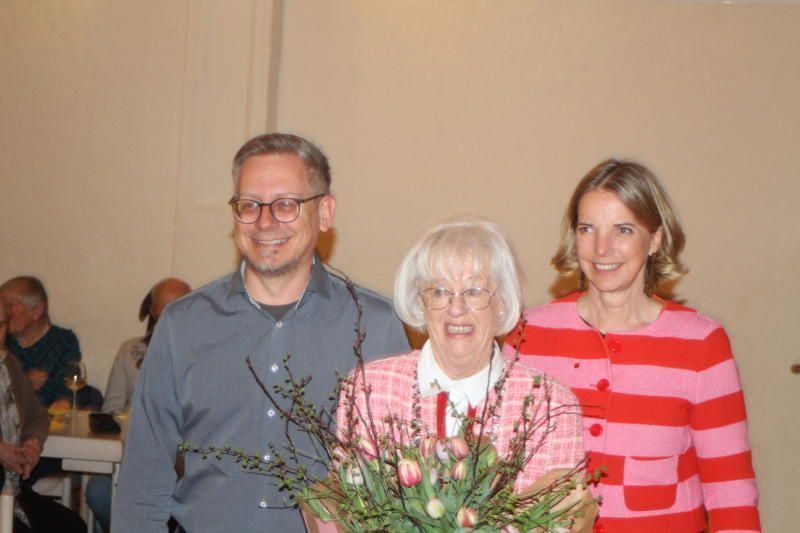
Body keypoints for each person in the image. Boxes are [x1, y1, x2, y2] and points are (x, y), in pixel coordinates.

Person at [114, 133, 410, 532]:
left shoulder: (374, 327)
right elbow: (142, 483)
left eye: (286, 205)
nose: (264, 221)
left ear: (324, 212)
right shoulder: (182, 326)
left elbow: (399, 486)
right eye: (248, 205)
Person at [504, 159, 760, 532]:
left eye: (622, 230)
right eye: (587, 229)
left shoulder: (701, 344)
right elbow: (497, 469)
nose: (602, 248)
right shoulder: (528, 334)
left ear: (655, 238)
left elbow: (732, 493)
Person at [339, 217, 585, 495]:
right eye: (440, 291)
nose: (456, 308)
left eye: (475, 291)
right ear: (421, 302)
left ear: (502, 303)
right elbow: (352, 508)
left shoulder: (549, 407)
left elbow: (561, 517)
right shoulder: (369, 392)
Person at [85, 278, 191, 533]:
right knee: (99, 491)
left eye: (179, 305)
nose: (171, 314)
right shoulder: (130, 350)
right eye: (164, 307)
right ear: (153, 311)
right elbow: (111, 409)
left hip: (184, 464)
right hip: (129, 454)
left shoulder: (204, 354)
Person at [0, 301, 87, 533]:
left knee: (72, 526)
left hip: (11, 487)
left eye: (0, 325)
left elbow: (37, 415)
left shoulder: (8, 363)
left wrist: (32, 443)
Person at [0, 276, 80, 409]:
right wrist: (24, 384)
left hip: (46, 423)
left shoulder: (63, 341)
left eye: (10, 306)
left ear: (37, 310)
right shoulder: (3, 342)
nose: (4, 314)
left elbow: (65, 394)